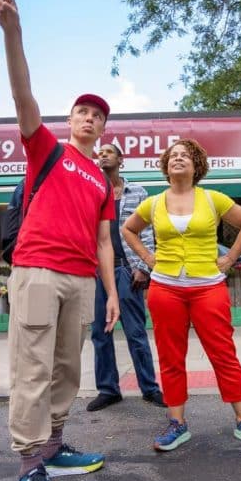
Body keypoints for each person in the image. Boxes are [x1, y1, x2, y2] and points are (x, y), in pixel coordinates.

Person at [0, 0, 121, 481]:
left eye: (98, 115)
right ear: (71, 122)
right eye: (82, 112)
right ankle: (28, 470)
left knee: (67, 369)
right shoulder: (47, 149)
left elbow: (104, 240)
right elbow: (22, 94)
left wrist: (111, 292)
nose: (89, 118)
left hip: (82, 279)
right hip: (38, 270)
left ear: (105, 128)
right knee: (33, 369)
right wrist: (13, 33)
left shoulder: (101, 181)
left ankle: (54, 446)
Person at [122, 138, 241, 451]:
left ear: (196, 165)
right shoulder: (153, 202)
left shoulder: (212, 199)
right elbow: (128, 230)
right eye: (173, 155)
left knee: (223, 353)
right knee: (170, 357)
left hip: (208, 287)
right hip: (165, 289)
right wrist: (147, 260)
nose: (178, 158)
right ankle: (177, 423)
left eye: (185, 155)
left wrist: (229, 258)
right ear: (166, 166)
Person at [87, 144, 166, 411]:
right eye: (101, 152)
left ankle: (149, 388)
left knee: (135, 332)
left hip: (127, 269)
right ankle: (109, 390)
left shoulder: (138, 193)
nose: (103, 155)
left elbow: (146, 233)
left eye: (109, 152)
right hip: (97, 271)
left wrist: (144, 266)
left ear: (121, 160)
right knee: (100, 332)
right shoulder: (91, 191)